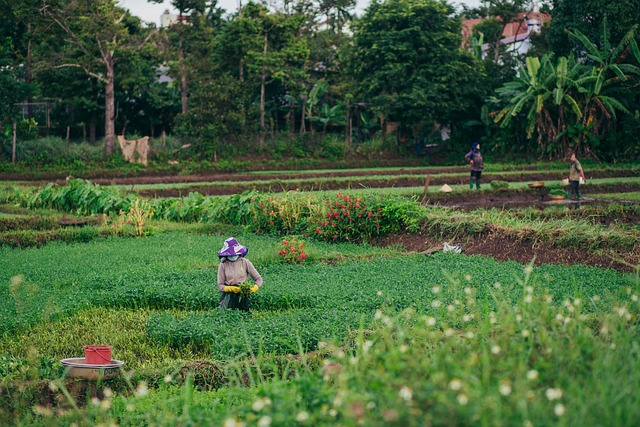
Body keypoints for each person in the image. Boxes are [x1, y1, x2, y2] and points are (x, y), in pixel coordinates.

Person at [217, 237, 263, 311]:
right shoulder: (223, 265)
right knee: (225, 313)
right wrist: (231, 288)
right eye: (231, 254)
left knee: (245, 313)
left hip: (243, 291)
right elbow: (220, 285)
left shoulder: (245, 262)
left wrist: (255, 287)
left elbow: (258, 279)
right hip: (228, 294)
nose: (233, 256)